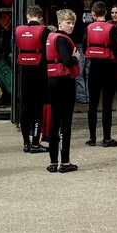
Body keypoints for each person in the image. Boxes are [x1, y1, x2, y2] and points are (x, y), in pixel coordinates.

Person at [43, 9, 81, 173]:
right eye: (68, 23)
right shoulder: (62, 39)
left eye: (73, 23)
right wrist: (75, 58)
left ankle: (53, 162)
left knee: (54, 121)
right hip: (64, 81)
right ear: (60, 23)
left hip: (52, 80)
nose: (71, 26)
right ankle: (65, 162)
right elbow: (66, 61)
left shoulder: (50, 37)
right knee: (65, 122)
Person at [84, 1, 117, 147]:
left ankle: (92, 138)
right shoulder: (112, 29)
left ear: (93, 14)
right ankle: (107, 138)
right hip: (109, 69)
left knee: (93, 104)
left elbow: (84, 45)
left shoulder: (88, 28)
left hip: (94, 69)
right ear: (106, 13)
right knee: (107, 105)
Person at [14, 5, 51, 154]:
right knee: (37, 107)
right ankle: (36, 143)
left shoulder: (18, 30)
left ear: (27, 17)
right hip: (40, 71)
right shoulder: (45, 31)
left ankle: (26, 143)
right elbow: (49, 51)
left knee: (25, 106)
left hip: (25, 71)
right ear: (41, 18)